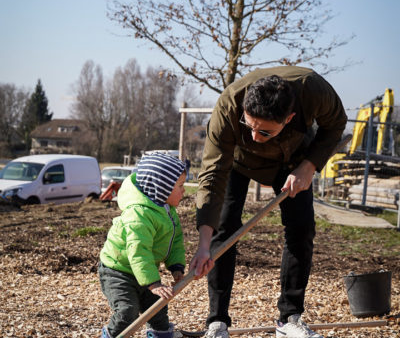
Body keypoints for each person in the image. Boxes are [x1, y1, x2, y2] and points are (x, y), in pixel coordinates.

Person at [189, 66, 347, 338]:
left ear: (290, 118)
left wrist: (309, 166)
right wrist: (204, 243)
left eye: (264, 132)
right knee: (223, 227)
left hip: (293, 160)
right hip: (237, 163)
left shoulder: (314, 90)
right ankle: (217, 323)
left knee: (301, 229)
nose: (254, 136)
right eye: (249, 126)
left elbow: (336, 123)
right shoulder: (228, 107)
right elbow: (213, 176)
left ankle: (289, 320)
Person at [99, 152, 187, 338]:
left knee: (158, 309)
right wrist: (153, 283)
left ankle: (161, 334)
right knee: (127, 312)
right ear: (162, 188)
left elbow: (175, 239)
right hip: (118, 271)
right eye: (180, 186)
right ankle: (110, 336)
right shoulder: (139, 215)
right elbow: (139, 252)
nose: (184, 191)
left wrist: (176, 266)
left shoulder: (166, 209)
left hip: (144, 270)